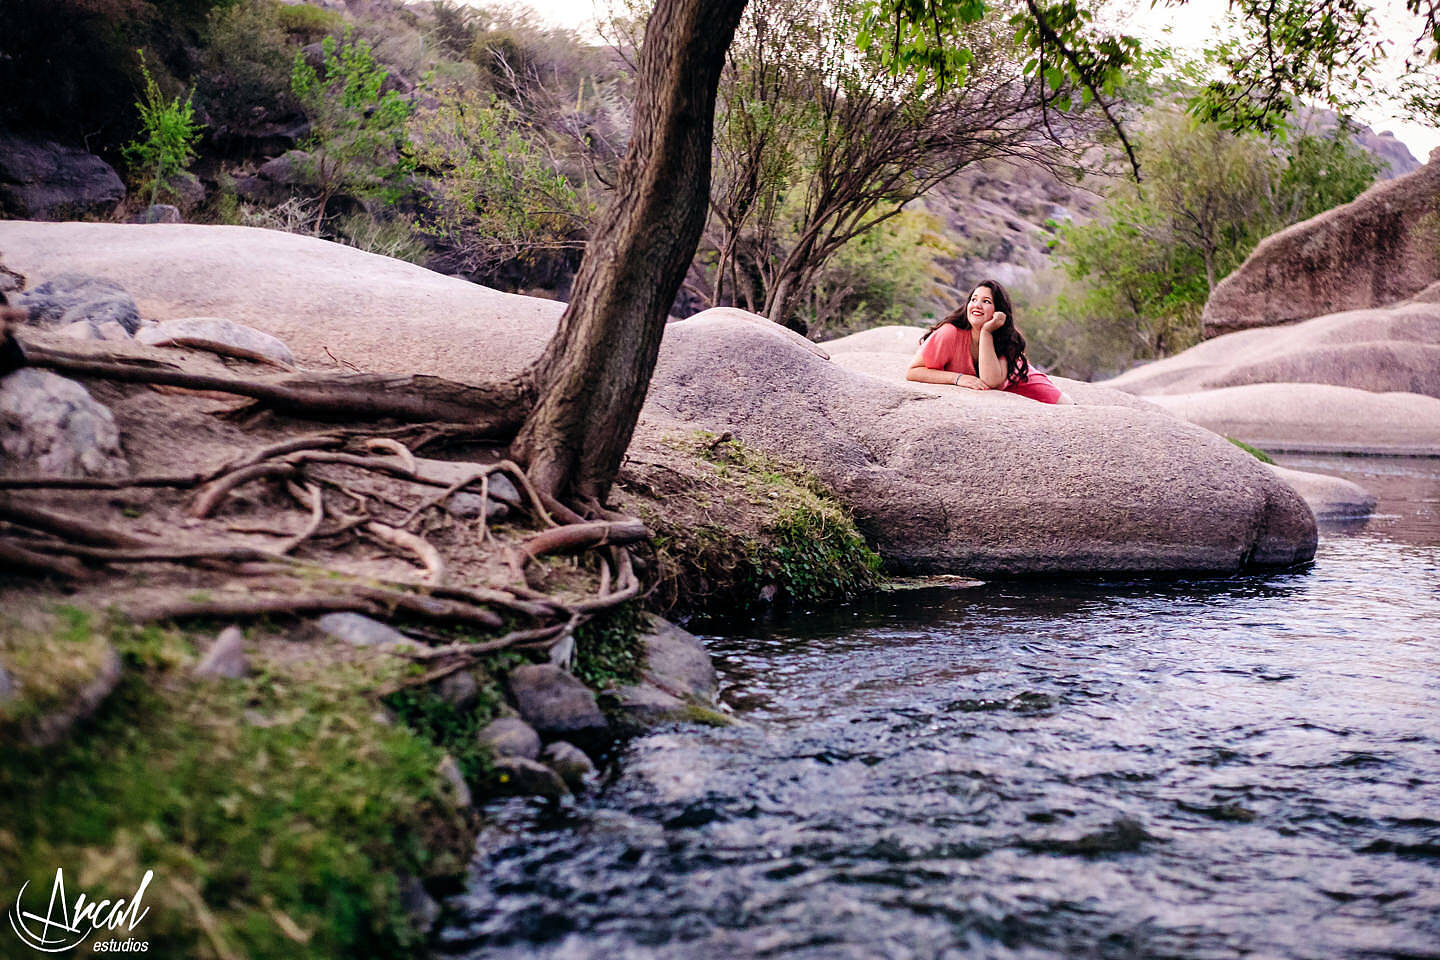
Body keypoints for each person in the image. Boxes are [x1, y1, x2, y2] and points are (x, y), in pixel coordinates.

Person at [906, 279, 1071, 404]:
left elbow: (990, 381)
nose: (977, 305)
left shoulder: (1006, 338)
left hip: (1018, 380)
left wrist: (986, 332)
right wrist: (958, 378)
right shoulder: (949, 333)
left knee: (1066, 405)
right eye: (973, 299)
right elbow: (913, 372)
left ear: (999, 311)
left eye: (986, 302)